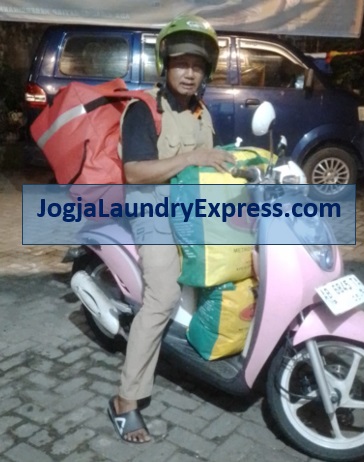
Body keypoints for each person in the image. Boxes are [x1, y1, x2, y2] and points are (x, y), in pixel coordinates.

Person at [107, 14, 235, 443]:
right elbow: (136, 172)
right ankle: (125, 400)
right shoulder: (143, 110)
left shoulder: (202, 112)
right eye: (181, 63)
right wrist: (191, 159)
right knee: (162, 296)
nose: (189, 72)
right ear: (166, 65)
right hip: (152, 210)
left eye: (197, 65)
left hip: (193, 210)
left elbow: (214, 161)